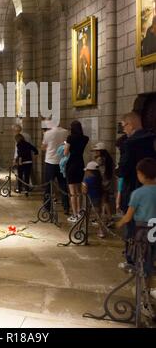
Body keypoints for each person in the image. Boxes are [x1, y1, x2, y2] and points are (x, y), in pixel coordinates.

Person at [116, 158, 156, 319]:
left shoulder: (138, 193)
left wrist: (118, 224)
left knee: (143, 266)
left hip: (143, 233)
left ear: (141, 175)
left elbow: (128, 217)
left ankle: (145, 301)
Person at [118, 111, 156, 268]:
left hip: (135, 187)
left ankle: (132, 260)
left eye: (123, 126)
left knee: (133, 226)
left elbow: (124, 169)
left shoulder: (130, 142)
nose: (124, 130)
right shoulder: (152, 138)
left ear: (130, 124)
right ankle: (150, 259)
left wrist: (117, 171)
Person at [65, 120, 89, 223]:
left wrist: (66, 144)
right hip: (80, 164)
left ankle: (74, 215)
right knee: (79, 192)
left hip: (71, 164)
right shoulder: (85, 138)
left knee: (73, 193)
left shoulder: (70, 138)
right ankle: (79, 212)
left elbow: (66, 152)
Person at [41, 121, 68, 211]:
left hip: (50, 161)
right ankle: (66, 206)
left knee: (48, 186)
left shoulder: (48, 133)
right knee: (63, 184)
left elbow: (43, 147)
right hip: (62, 161)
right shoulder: (65, 132)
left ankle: (47, 206)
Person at [92, 142, 115, 226]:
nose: (96, 152)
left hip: (102, 182)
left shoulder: (100, 159)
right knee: (105, 201)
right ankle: (107, 218)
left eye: (97, 151)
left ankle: (107, 218)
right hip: (108, 182)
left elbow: (96, 170)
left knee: (103, 201)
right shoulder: (109, 159)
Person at [82, 161, 105, 238]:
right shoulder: (99, 179)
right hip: (98, 198)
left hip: (88, 199)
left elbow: (84, 191)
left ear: (89, 171)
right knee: (98, 215)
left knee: (86, 214)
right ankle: (100, 230)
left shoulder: (86, 179)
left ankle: (85, 229)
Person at [78, 32, 91, 100]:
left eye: (84, 39)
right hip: (82, 66)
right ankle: (83, 91)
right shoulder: (81, 49)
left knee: (86, 78)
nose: (83, 41)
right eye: (82, 39)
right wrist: (81, 57)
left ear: (86, 40)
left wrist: (85, 61)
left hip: (85, 65)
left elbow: (88, 57)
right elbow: (80, 57)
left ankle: (86, 92)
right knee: (82, 78)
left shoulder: (87, 48)